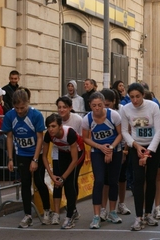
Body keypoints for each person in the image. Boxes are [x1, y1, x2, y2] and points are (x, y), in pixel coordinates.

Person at [1, 88, 52, 228]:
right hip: (21, 153)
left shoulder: (35, 115)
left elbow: (40, 137)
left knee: (39, 182)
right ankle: (27, 215)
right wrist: (10, 159)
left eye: (22, 107)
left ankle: (47, 210)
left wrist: (35, 160)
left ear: (27, 103)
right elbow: (9, 137)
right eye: (16, 108)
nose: (19, 111)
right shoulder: (10, 116)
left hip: (36, 152)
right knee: (25, 183)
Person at [120, 83, 160, 231]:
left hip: (153, 146)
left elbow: (159, 131)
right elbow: (124, 131)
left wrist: (149, 151)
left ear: (143, 95)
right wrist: (136, 146)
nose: (135, 100)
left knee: (151, 179)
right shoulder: (125, 109)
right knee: (138, 180)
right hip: (136, 147)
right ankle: (138, 217)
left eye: (137, 96)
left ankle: (148, 213)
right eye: (131, 97)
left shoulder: (152, 107)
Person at [82, 92, 123, 229]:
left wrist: (110, 148)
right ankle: (96, 215)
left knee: (113, 181)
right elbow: (86, 138)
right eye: (94, 106)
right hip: (97, 151)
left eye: (100, 105)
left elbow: (120, 134)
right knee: (99, 181)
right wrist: (100, 147)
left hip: (115, 150)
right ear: (90, 106)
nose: (97, 108)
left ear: (104, 104)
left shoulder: (114, 115)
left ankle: (112, 211)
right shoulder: (87, 119)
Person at [42, 113, 85, 229]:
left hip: (78, 154)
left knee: (69, 183)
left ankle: (70, 216)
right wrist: (52, 176)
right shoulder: (48, 135)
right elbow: (44, 157)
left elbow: (74, 159)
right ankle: (72, 211)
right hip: (63, 153)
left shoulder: (69, 133)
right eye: (48, 127)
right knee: (59, 183)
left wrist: (63, 178)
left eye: (53, 126)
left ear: (60, 126)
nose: (50, 129)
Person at [50, 96, 84, 225]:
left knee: (71, 181)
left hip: (75, 153)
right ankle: (57, 213)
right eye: (59, 107)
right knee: (58, 181)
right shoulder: (54, 121)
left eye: (64, 107)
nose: (61, 109)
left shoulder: (77, 120)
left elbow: (81, 138)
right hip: (59, 153)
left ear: (70, 108)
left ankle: (72, 210)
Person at [100, 88, 131, 217]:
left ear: (114, 101)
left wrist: (125, 150)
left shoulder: (122, 110)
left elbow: (127, 130)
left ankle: (121, 204)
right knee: (105, 180)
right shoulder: (99, 111)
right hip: (104, 148)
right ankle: (103, 208)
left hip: (120, 147)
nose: (105, 107)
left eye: (108, 105)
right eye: (104, 104)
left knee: (121, 178)